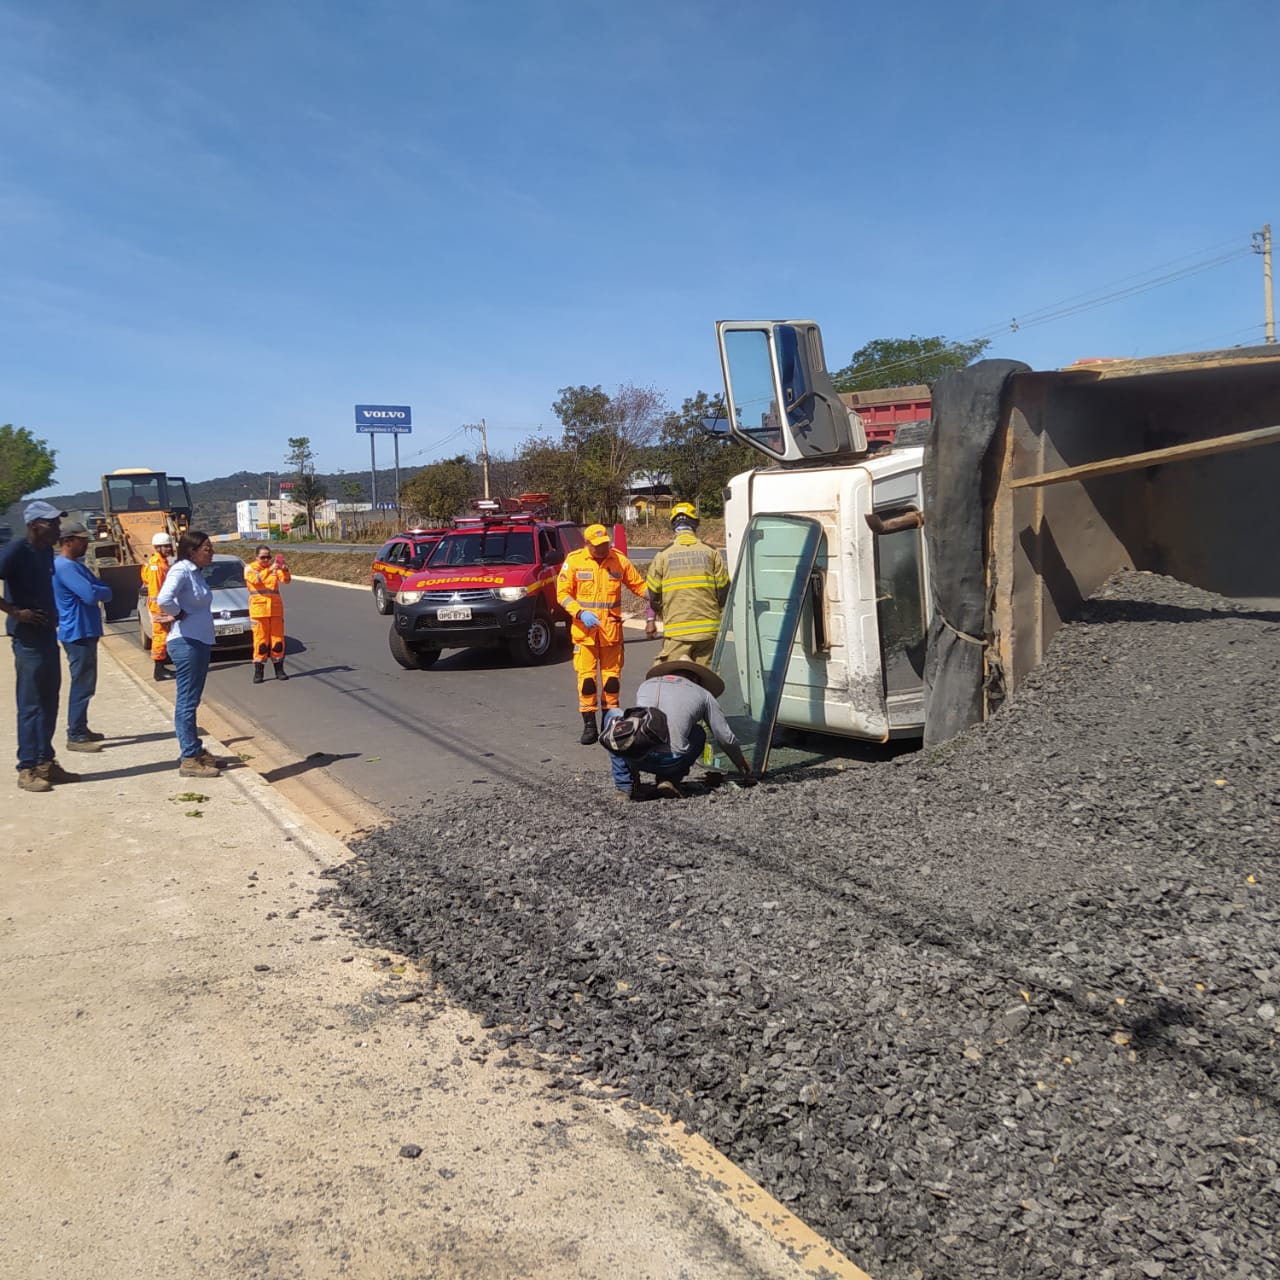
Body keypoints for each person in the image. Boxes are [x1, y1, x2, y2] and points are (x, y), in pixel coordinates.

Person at [0, 500, 80, 792]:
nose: (58, 528)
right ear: (34, 525)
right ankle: (28, 767)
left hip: (47, 636)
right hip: (27, 640)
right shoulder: (15, 551)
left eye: (58, 522)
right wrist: (15, 612)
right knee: (31, 705)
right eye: (52, 523)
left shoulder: (46, 551)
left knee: (50, 700)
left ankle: (46, 761)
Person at [603, 658, 752, 799]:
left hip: (636, 755)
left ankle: (624, 786)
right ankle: (669, 779)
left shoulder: (647, 685)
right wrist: (740, 762)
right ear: (697, 679)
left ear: (670, 673)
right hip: (671, 763)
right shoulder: (704, 694)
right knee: (698, 732)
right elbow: (724, 737)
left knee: (613, 716)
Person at [556, 523, 648, 745]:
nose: (602, 548)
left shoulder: (618, 560)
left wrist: (656, 598)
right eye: (597, 546)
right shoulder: (574, 561)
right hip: (584, 632)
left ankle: (610, 722)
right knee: (587, 680)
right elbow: (562, 594)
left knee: (612, 680)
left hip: (611, 632)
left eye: (605, 544)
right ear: (587, 544)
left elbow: (639, 585)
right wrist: (580, 612)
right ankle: (589, 725)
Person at [155, 530, 221, 780]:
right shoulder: (181, 570)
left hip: (199, 641)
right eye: (206, 548)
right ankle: (190, 758)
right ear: (192, 550)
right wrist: (177, 613)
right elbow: (164, 598)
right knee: (186, 701)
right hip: (186, 643)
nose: (210, 552)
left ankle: (194, 749)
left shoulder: (194, 572)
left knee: (191, 700)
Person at [52, 519, 113, 753]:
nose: (86, 544)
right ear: (68, 542)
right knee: (82, 684)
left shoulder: (76, 566)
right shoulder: (65, 567)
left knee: (87, 684)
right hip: (77, 632)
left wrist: (97, 589)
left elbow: (104, 590)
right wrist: (96, 590)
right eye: (82, 540)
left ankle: (81, 727)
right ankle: (75, 734)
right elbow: (91, 594)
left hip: (85, 630)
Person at [645, 502, 730, 665]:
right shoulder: (711, 552)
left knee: (675, 680)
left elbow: (653, 593)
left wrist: (661, 612)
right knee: (706, 680)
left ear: (673, 526)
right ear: (695, 524)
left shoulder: (662, 555)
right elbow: (724, 590)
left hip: (677, 633)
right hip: (708, 631)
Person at [244, 544, 291, 682]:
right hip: (259, 611)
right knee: (261, 643)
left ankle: (279, 670)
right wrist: (270, 569)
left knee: (278, 642)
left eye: (268, 557)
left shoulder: (274, 569)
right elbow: (256, 580)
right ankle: (259, 672)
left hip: (275, 610)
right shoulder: (250, 568)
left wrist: (284, 569)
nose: (266, 560)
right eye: (263, 557)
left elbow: (286, 580)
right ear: (256, 557)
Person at [141, 531, 175, 681]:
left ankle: (162, 664)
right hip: (158, 607)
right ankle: (159, 670)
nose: (169, 548)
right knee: (160, 636)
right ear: (158, 547)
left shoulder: (162, 562)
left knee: (163, 636)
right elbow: (156, 590)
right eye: (165, 546)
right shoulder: (156, 566)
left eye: (169, 545)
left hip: (160, 605)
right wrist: (161, 609)